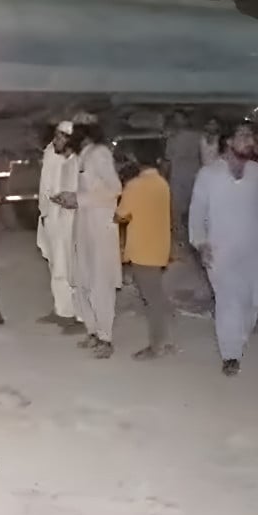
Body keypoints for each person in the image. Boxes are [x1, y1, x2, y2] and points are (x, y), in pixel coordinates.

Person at [188, 121, 258, 376]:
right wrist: (201, 243)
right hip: (221, 251)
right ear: (228, 141)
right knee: (228, 302)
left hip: (255, 251)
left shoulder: (257, 173)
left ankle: (239, 338)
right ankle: (231, 354)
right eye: (243, 136)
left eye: (251, 137)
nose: (250, 142)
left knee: (254, 299)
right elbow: (197, 212)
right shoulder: (209, 174)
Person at [57, 118, 122, 358]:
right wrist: (71, 197)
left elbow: (115, 188)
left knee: (100, 283)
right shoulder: (82, 157)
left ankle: (106, 338)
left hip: (100, 227)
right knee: (82, 280)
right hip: (84, 225)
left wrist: (80, 199)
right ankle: (92, 331)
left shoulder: (99, 153)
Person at [115, 142, 175, 359]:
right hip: (159, 246)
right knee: (156, 296)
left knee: (152, 300)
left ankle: (158, 345)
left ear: (136, 160)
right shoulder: (162, 183)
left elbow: (121, 215)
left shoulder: (135, 185)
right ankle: (165, 340)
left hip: (141, 248)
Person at [37, 122, 81, 330]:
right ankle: (62, 310)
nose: (57, 140)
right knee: (56, 265)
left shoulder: (76, 160)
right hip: (51, 215)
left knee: (70, 266)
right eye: (56, 135)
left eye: (62, 136)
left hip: (69, 218)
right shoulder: (50, 152)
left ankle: (77, 315)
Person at [164, 111, 199, 242]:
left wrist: (164, 177)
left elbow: (167, 160)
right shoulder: (198, 136)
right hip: (193, 175)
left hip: (179, 177)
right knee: (192, 209)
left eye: (178, 118)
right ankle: (192, 238)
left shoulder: (173, 138)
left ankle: (180, 239)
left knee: (177, 210)